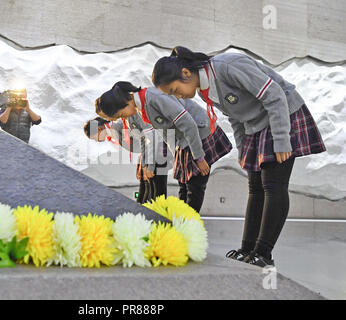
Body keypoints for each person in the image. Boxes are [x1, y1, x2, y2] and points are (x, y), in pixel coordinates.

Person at [152, 46, 326, 267]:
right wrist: (244, 150)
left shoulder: (227, 67)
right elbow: (236, 117)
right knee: (255, 187)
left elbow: (274, 95)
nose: (178, 96)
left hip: (282, 116)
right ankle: (247, 249)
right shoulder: (206, 89)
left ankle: (263, 253)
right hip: (257, 126)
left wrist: (282, 138)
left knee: (273, 185)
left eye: (175, 90)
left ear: (186, 73)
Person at [95, 81, 232, 213]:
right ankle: (180, 227)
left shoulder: (154, 99)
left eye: (120, 115)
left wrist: (200, 158)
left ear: (125, 103)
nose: (122, 118)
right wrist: (177, 152)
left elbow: (188, 124)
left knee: (194, 188)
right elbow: (163, 133)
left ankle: (188, 227)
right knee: (184, 186)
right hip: (182, 141)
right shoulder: (141, 107)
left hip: (199, 134)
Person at [83, 115, 172, 204]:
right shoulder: (114, 130)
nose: (97, 141)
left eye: (95, 138)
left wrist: (147, 163)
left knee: (156, 192)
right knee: (145, 189)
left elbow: (146, 139)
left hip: (156, 151)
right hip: (147, 153)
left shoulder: (121, 125)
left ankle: (157, 214)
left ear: (99, 129)